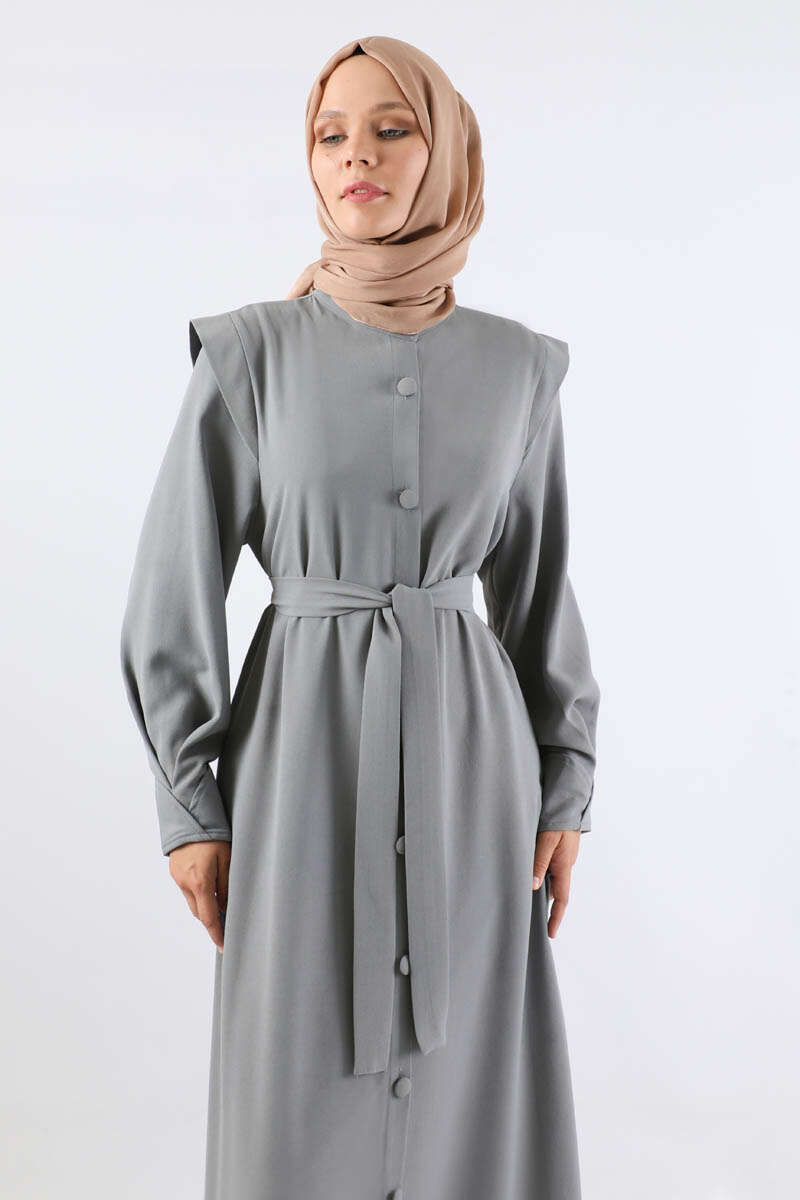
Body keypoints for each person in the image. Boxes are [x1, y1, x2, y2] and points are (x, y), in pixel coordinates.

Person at [120, 34, 600, 1200]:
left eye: (392, 129)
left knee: (470, 1080)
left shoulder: (519, 370)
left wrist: (566, 780)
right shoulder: (249, 357)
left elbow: (540, 591)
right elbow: (170, 590)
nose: (356, 157)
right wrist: (190, 805)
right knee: (294, 1082)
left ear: (447, 154)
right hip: (299, 763)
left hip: (471, 772)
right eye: (330, 134)